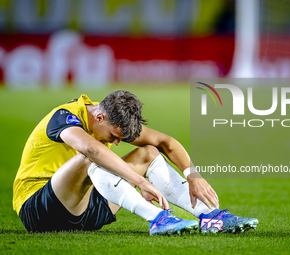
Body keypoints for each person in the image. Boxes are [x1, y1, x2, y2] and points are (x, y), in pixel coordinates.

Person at [13, 90, 258, 235]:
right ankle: (158, 219)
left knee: (148, 152)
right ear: (99, 116)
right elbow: (89, 148)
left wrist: (193, 174)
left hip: (85, 210)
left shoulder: (107, 120)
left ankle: (210, 216)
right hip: (39, 210)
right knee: (91, 154)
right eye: (114, 137)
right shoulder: (64, 116)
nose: (117, 143)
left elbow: (165, 141)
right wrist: (139, 181)